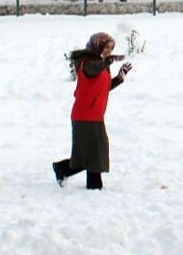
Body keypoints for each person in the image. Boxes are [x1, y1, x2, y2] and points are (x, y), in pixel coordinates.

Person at [54, 32, 132, 189]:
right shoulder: (87, 63)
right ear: (97, 46)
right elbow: (93, 70)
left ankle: (66, 170)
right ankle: (91, 183)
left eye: (111, 48)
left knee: (94, 151)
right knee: (94, 151)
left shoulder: (100, 65)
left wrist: (119, 78)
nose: (109, 50)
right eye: (106, 47)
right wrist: (107, 62)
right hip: (84, 115)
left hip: (94, 115)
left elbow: (103, 88)